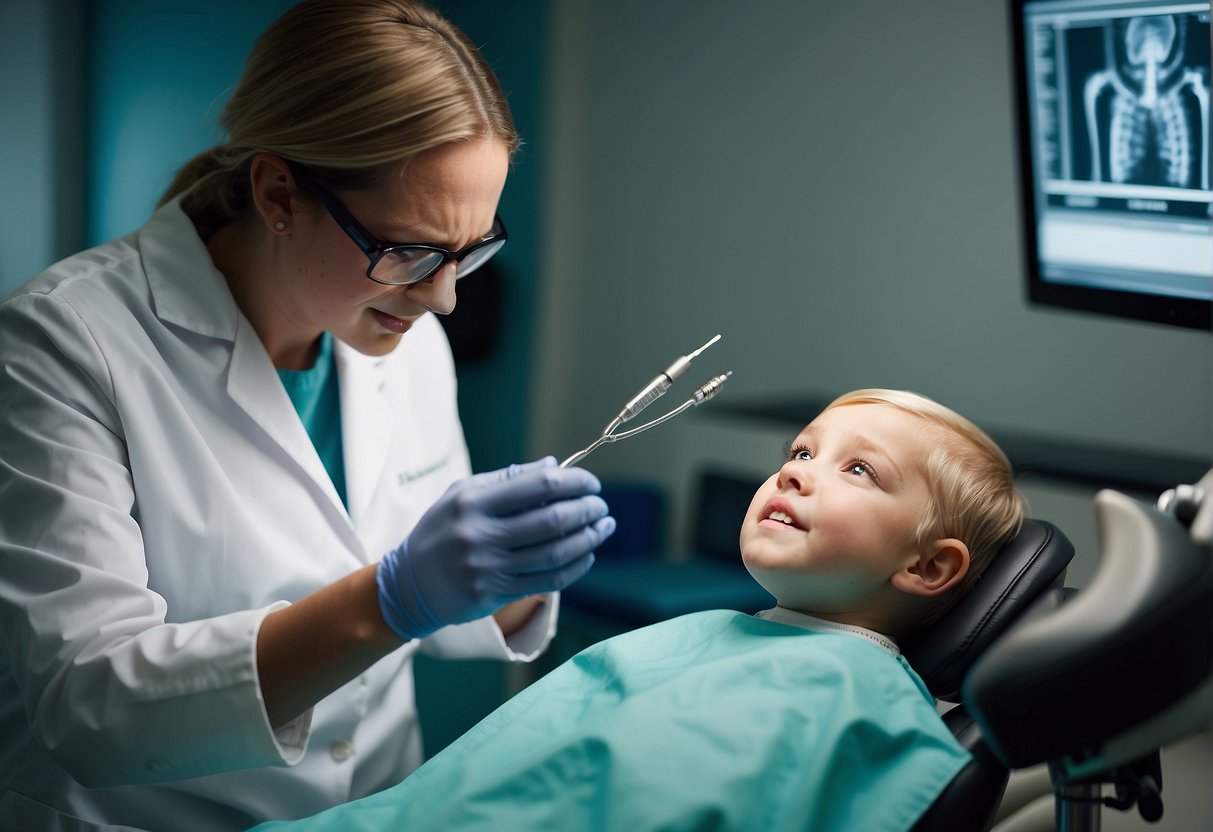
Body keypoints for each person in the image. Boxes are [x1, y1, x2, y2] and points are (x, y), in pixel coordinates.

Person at [0, 2, 615, 829]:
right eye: (409, 250)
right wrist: (394, 598)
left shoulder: (403, 334)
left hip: (376, 805)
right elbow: (88, 706)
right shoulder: (62, 343)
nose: (443, 296)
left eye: (468, 249)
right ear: (279, 191)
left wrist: (508, 578)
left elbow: (426, 585)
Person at [249, 388, 1026, 832]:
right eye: (798, 452)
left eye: (857, 469)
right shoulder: (718, 636)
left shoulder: (844, 696)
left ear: (929, 566)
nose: (795, 475)